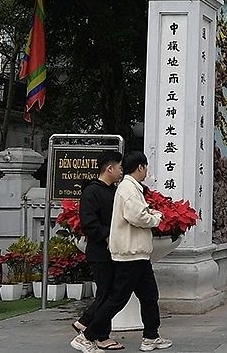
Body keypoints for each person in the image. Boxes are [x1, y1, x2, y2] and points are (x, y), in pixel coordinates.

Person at [82, 151, 173, 352]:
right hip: (130, 254)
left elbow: (138, 212)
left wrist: (149, 213)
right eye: (146, 167)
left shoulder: (131, 188)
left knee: (149, 296)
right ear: (140, 167)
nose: (147, 172)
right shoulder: (128, 188)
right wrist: (155, 218)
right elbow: (136, 216)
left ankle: (151, 336)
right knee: (117, 299)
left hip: (139, 253)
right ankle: (88, 335)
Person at [70, 151, 124, 352]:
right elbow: (89, 224)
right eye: (119, 167)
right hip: (100, 251)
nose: (121, 172)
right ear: (109, 168)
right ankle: (100, 335)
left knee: (109, 292)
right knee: (106, 293)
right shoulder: (92, 191)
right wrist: (108, 235)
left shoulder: (113, 190)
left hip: (114, 251)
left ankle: (86, 324)